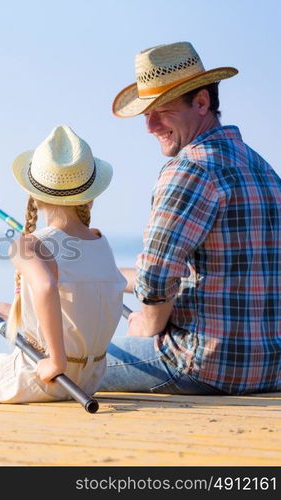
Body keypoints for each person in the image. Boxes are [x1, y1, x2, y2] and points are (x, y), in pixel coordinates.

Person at [101, 41, 281, 395]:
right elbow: (212, 275)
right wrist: (92, 275)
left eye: (160, 111)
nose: (150, 125)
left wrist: (147, 327)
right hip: (271, 370)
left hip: (201, 366)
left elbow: (156, 279)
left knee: (48, 360)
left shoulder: (190, 169)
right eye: (145, 113)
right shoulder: (263, 170)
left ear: (201, 102)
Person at [0, 125, 126, 403]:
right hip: (87, 382)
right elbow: (69, 310)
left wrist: (55, 362)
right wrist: (3, 309)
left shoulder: (27, 245)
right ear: (90, 196)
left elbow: (45, 286)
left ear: (35, 196)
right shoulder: (101, 243)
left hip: (43, 377)